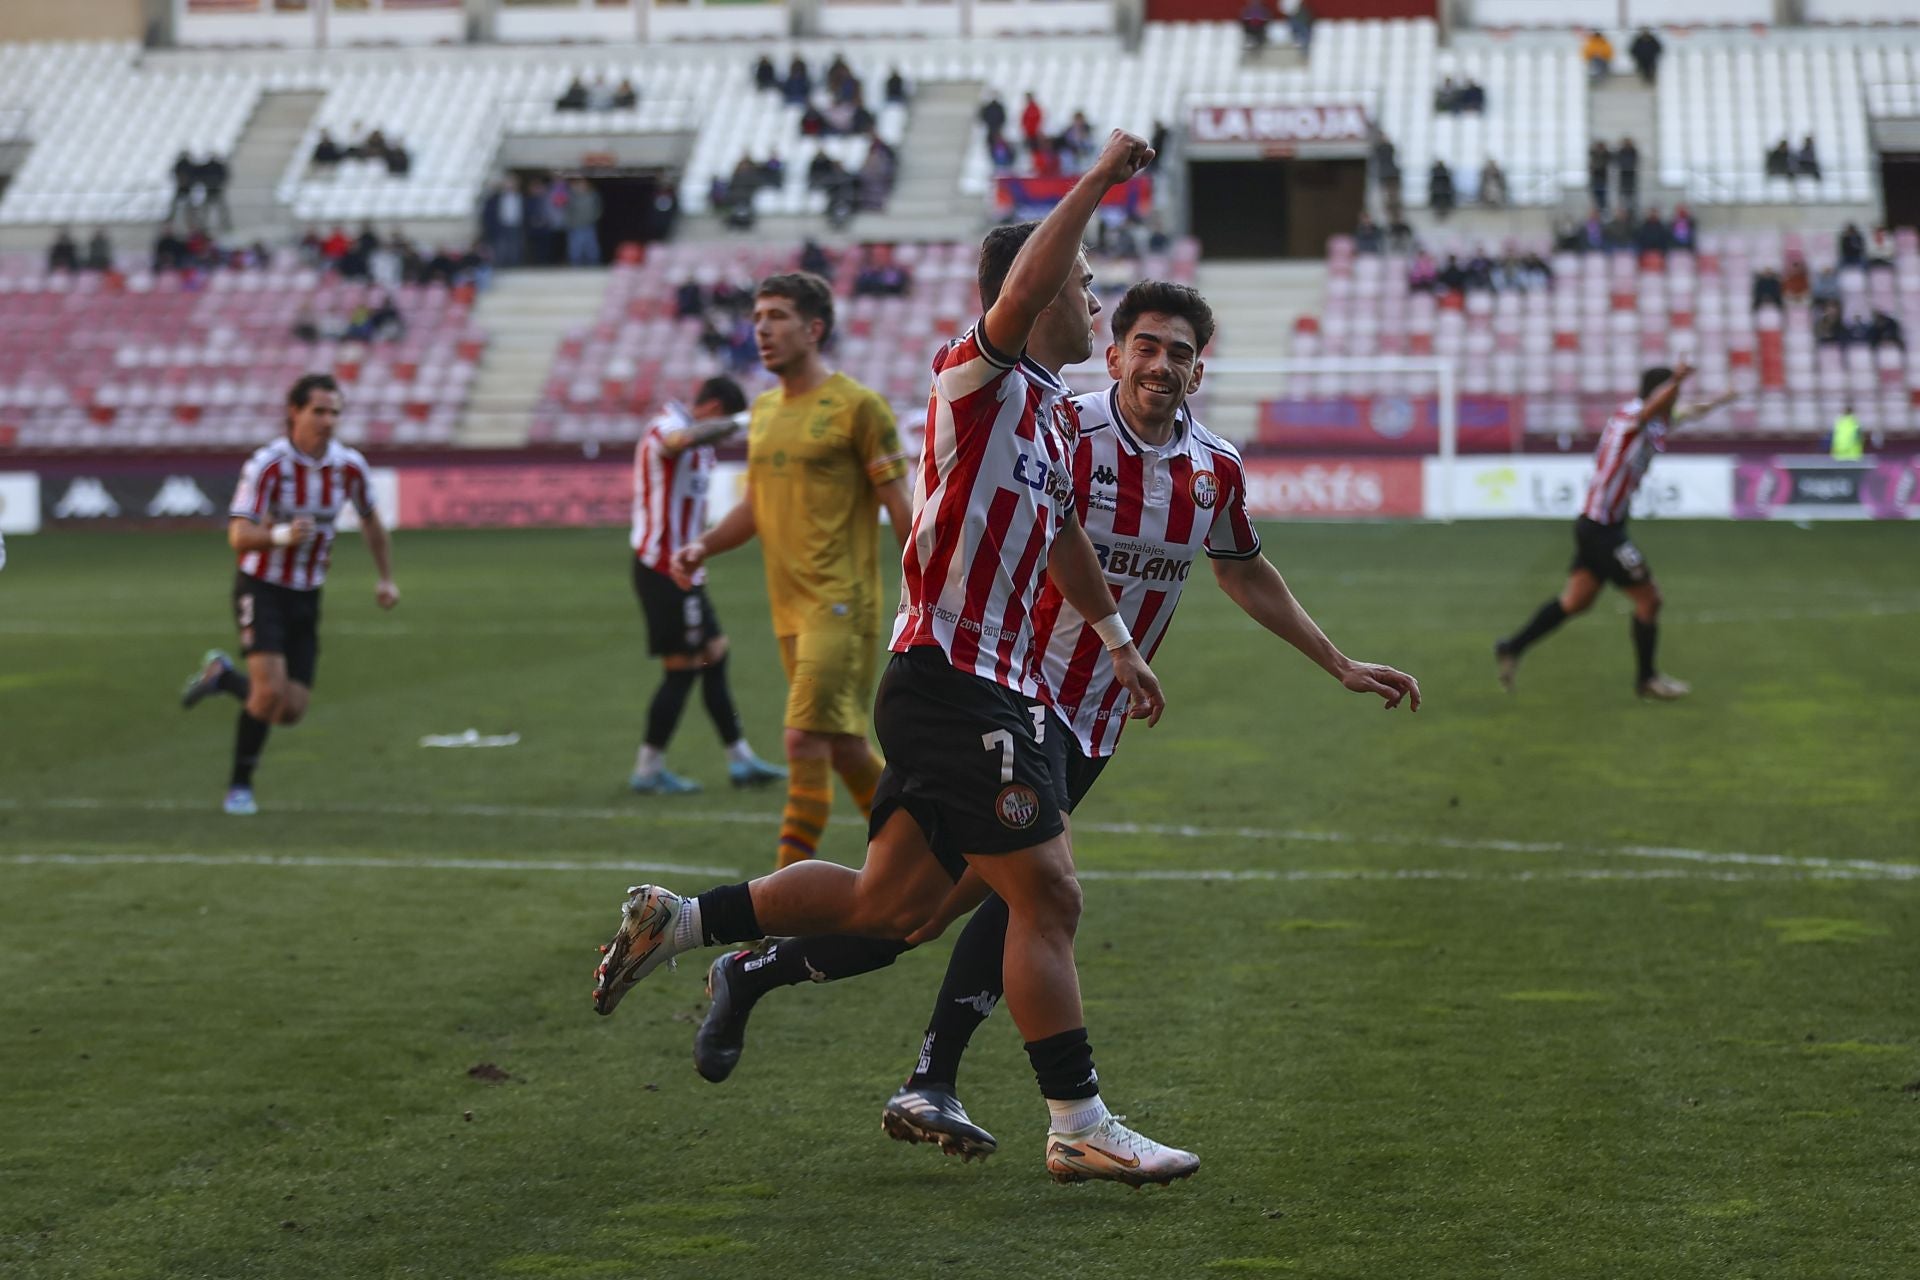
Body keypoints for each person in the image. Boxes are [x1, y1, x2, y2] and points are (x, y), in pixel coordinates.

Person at [686, 282, 1420, 1163]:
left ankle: (749, 967)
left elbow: (1242, 570)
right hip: (1005, 697)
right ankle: (969, 1090)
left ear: (1199, 368)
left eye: (1180, 353)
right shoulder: (1057, 428)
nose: (1161, 365)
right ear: (1113, 355)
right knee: (1019, 896)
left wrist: (1337, 661)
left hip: (1094, 723)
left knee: (911, 913)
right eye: (1145, 346)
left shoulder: (1214, 469)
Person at [591, 132, 1203, 1188]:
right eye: (1087, 286)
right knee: (1047, 896)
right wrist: (1100, 178)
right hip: (960, 681)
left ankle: (680, 920)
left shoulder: (1053, 421)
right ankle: (1078, 1117)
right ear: (1038, 286)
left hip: (975, 685)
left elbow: (1062, 542)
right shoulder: (980, 374)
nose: (1096, 305)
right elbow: (1031, 292)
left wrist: (1114, 643)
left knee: (891, 906)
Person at [664, 271, 912, 866]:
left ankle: (776, 909)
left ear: (814, 328)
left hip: (842, 605)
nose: (761, 329)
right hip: (789, 612)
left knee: (802, 739)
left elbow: (902, 507)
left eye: (776, 316)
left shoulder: (858, 407)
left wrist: (923, 598)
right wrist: (702, 547)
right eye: (756, 318)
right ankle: (930, 855)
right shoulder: (766, 412)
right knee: (847, 749)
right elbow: (754, 506)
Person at [178, 374, 398, 814]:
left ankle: (222, 677)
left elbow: (371, 520)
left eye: (335, 412)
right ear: (294, 412)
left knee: (291, 709)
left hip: (308, 591)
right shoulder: (267, 464)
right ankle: (240, 787)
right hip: (261, 587)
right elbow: (239, 534)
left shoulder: (349, 466)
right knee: (269, 691)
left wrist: (385, 577)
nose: (328, 420)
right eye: (318, 410)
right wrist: (280, 535)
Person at [1493, 363, 1735, 701]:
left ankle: (1511, 647)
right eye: (1671, 392)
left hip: (1601, 526)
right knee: (1650, 598)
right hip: (1601, 530)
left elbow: (1689, 412)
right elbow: (1651, 410)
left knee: (1575, 602)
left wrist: (1722, 399)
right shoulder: (1631, 416)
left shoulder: (1655, 422)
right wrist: (1678, 380)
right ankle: (1647, 679)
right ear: (1656, 393)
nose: (1676, 399)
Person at [627, 377, 785, 795]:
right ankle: (647, 768)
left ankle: (740, 759)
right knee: (682, 668)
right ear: (713, 407)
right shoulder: (667, 424)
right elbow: (678, 440)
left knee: (714, 653)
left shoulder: (703, 445)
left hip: (684, 570)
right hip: (661, 567)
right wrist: (744, 420)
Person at [565, 178, 602, 267]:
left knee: (592, 248)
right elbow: (566, 210)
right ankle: (575, 266)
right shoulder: (572, 196)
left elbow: (599, 209)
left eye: (584, 184)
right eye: (580, 184)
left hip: (589, 225)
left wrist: (593, 219)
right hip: (576, 226)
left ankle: (594, 266)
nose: (582, 186)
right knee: (575, 248)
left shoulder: (593, 195)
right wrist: (571, 222)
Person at [1615, 137, 1639, 212]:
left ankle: (1631, 210)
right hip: (1623, 175)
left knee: (1631, 195)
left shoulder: (1633, 151)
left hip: (1631, 175)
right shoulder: (1621, 151)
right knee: (1622, 195)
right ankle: (1622, 210)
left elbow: (1634, 162)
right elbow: (1618, 161)